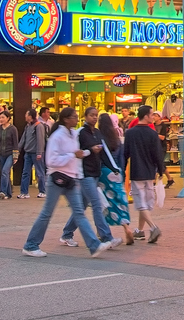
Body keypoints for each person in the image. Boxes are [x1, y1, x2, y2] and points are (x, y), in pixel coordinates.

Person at [21, 107, 111, 259]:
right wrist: (71, 155)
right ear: (66, 119)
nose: (77, 119)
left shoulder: (73, 135)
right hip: (57, 179)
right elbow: (51, 160)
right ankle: (31, 245)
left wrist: (89, 151)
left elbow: (78, 154)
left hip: (71, 180)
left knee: (79, 213)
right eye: (74, 117)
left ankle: (94, 245)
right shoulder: (57, 136)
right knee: (46, 213)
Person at [60, 106, 119, 250]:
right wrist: (89, 151)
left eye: (96, 115)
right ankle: (107, 237)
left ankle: (67, 234)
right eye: (92, 115)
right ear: (85, 116)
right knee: (97, 205)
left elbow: (104, 152)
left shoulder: (97, 133)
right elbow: (75, 152)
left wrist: (114, 168)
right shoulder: (80, 133)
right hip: (84, 174)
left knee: (81, 206)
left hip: (95, 173)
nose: (94, 117)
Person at [125, 105, 165, 244]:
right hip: (149, 172)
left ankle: (151, 228)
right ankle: (140, 230)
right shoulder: (152, 134)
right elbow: (158, 155)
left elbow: (126, 154)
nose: (153, 117)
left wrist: (122, 170)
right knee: (146, 203)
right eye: (151, 114)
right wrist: (160, 170)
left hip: (137, 172)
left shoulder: (130, 133)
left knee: (141, 203)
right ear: (145, 116)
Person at [97, 112, 134, 244]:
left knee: (103, 203)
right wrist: (122, 175)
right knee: (119, 202)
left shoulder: (98, 138)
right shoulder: (116, 138)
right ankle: (126, 228)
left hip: (103, 174)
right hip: (116, 172)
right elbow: (121, 159)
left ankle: (101, 232)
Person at [0, 110, 17, 199]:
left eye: (3, 117)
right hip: (1, 154)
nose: (1, 119)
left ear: (8, 118)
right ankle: (8, 193)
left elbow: (15, 143)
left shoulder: (13, 129)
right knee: (3, 173)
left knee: (5, 171)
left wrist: (15, 156)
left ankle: (2, 191)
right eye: (0, 118)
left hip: (10, 153)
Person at [17, 109, 39, 198]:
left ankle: (42, 191)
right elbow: (23, 139)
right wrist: (18, 149)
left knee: (40, 172)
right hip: (28, 153)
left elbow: (40, 140)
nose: (25, 116)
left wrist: (39, 152)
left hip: (36, 153)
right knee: (25, 172)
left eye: (26, 114)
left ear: (30, 116)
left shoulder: (38, 126)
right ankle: (24, 192)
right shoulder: (27, 126)